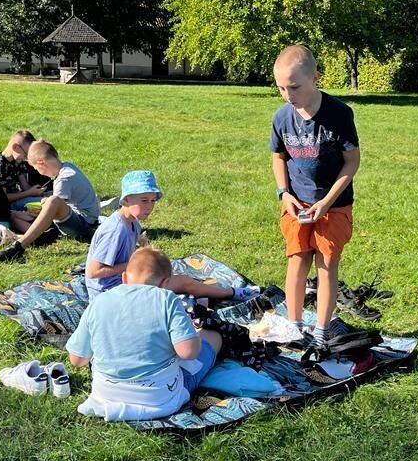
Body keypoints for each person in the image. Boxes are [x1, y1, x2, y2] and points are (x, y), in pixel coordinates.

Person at [270, 45, 360, 349]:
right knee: (297, 260)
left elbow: (352, 162)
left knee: (326, 263)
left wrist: (327, 202)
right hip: (296, 203)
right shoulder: (282, 117)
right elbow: (278, 157)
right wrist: (284, 193)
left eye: (294, 87)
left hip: (333, 205)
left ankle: (321, 329)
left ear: (315, 77)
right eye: (281, 88)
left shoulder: (339, 114)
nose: (287, 95)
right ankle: (293, 326)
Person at [68, 247, 223, 421]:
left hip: (105, 396)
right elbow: (188, 353)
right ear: (165, 283)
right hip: (160, 399)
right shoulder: (167, 299)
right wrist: (195, 335)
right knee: (213, 337)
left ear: (124, 278)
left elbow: (77, 360)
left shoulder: (99, 301)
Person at [85, 170, 260, 303]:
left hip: (125, 280)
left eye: (153, 200)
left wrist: (144, 247)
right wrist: (133, 265)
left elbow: (135, 241)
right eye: (144, 200)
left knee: (171, 278)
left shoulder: (132, 222)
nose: (150, 206)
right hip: (108, 293)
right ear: (126, 200)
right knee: (184, 282)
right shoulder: (115, 231)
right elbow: (93, 272)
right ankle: (232, 293)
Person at [0, 140, 102, 262]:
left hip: (85, 226)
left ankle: (19, 246)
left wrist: (38, 208)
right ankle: (40, 236)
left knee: (52, 201)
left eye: (36, 168)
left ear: (41, 163)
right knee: (17, 213)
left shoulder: (64, 179)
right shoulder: (67, 166)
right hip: (77, 218)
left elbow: (54, 208)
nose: (37, 171)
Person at [0, 130, 47, 209]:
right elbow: (3, 198)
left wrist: (37, 191)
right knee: (47, 203)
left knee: (50, 197)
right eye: (26, 154)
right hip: (7, 207)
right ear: (15, 147)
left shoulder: (17, 161)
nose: (26, 159)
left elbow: (24, 186)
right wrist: (29, 193)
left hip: (19, 198)